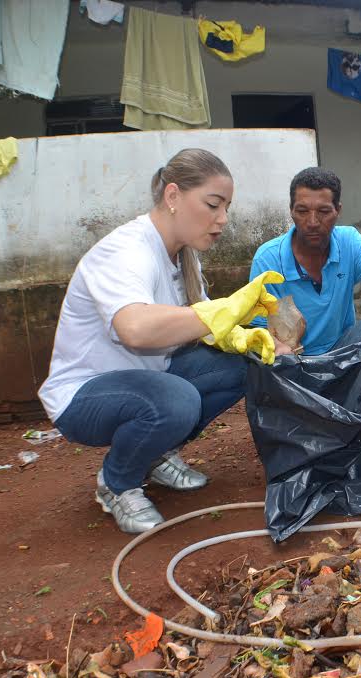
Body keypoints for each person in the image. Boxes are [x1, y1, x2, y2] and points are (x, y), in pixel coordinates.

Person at [39, 148, 286, 534]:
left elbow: (199, 326)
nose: (222, 219)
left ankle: (152, 455)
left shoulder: (181, 255)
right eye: (213, 205)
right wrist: (222, 310)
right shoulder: (127, 251)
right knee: (176, 401)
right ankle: (116, 483)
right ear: (173, 197)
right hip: (84, 396)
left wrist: (246, 336)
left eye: (227, 208)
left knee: (245, 365)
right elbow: (135, 329)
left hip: (148, 378)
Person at [249, 167, 361, 446]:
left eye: (323, 211)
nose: (312, 222)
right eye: (302, 211)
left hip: (342, 354)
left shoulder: (349, 241)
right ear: (291, 210)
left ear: (338, 210)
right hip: (296, 364)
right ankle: (319, 423)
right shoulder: (269, 259)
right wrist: (281, 350)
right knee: (269, 361)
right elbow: (260, 333)